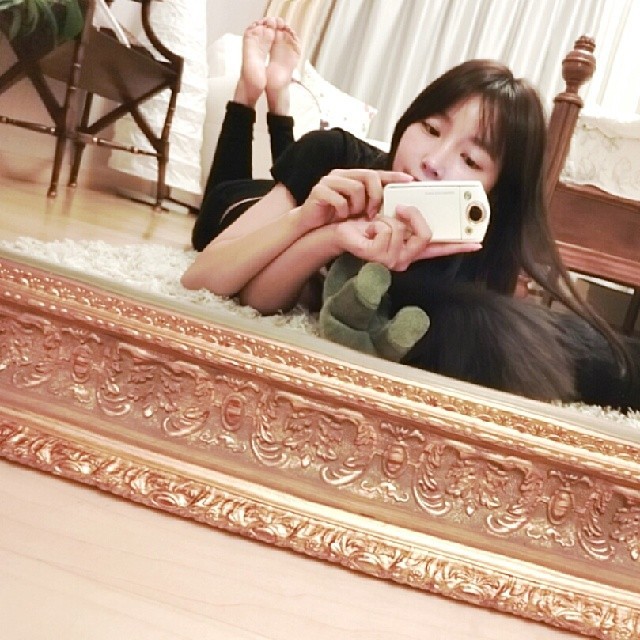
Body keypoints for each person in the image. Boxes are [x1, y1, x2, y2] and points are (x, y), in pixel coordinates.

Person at [183, 18, 639, 410]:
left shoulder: (466, 247)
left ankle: (280, 101)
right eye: (431, 128)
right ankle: (253, 93)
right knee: (220, 204)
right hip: (245, 207)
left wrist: (332, 237)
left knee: (296, 183)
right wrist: (305, 218)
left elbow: (268, 299)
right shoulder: (338, 156)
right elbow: (201, 279)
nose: (433, 161)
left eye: (471, 160)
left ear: (493, 194)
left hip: (307, 211)